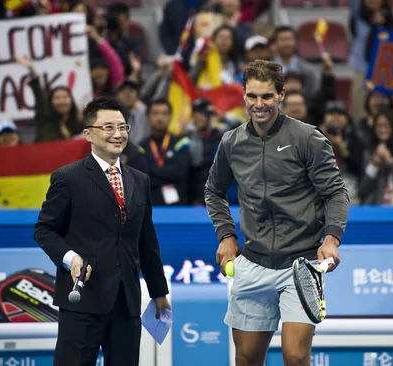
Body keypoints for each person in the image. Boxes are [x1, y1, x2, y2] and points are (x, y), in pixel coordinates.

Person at [204, 60, 349, 366]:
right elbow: (214, 192)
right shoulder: (231, 142)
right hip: (252, 264)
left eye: (267, 96)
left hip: (301, 265)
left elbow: (335, 192)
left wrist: (332, 238)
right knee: (246, 359)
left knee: (295, 357)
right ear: (243, 95)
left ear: (281, 95)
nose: (259, 104)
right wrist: (227, 236)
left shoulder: (308, 138)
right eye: (252, 96)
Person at [34, 96, 171, 366]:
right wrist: (70, 257)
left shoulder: (140, 180)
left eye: (123, 127)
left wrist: (159, 292)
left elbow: (147, 241)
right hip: (83, 297)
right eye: (108, 127)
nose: (117, 134)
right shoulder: (68, 177)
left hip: (127, 302)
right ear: (88, 134)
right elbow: (44, 229)